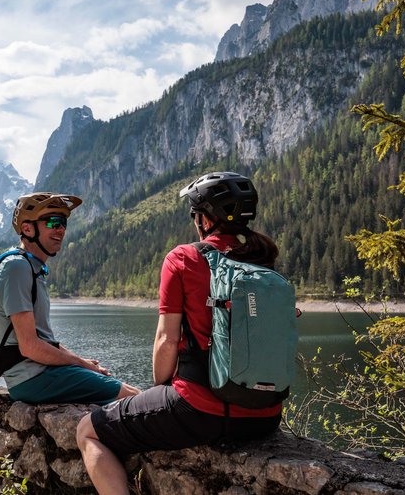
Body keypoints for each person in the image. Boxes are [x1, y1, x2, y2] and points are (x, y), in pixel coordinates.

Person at [76, 172, 283, 495]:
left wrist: (158, 395)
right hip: (265, 415)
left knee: (87, 430)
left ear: (203, 219)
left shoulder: (184, 258)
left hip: (199, 410)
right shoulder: (263, 261)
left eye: (194, 214)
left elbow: (166, 341)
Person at [0, 192, 140, 405]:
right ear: (27, 228)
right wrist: (81, 364)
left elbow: (44, 340)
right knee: (134, 398)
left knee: (129, 393)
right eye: (52, 221)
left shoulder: (31, 267)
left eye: (63, 223)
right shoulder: (17, 267)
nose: (60, 229)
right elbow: (29, 346)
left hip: (42, 373)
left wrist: (81, 363)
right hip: (32, 379)